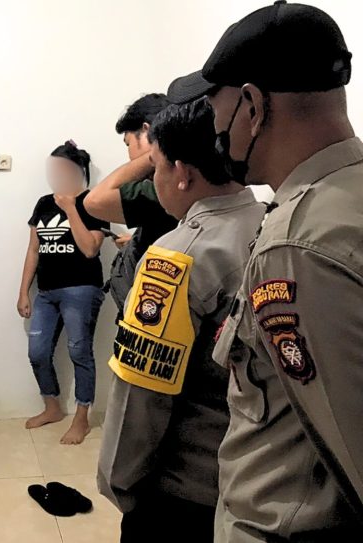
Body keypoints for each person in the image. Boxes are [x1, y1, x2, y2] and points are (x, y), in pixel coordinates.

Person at [167, 2, 363, 540]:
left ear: (252, 106)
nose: (215, 129)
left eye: (216, 110)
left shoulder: (298, 243)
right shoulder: (342, 198)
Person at [97, 99, 266, 543]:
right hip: (253, 480)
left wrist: (119, 485)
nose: (155, 180)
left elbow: (141, 393)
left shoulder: (178, 256)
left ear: (182, 173)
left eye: (155, 166)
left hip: (183, 489)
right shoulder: (271, 223)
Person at [17, 141, 107, 445]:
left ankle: (82, 419)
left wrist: (71, 208)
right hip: (46, 291)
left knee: (80, 351)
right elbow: (33, 249)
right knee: (37, 352)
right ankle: (52, 407)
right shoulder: (43, 203)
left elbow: (90, 248)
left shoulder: (94, 202)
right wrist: (23, 291)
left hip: (82, 289)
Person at [84, 94, 178, 321]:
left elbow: (94, 201)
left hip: (153, 317)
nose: (129, 155)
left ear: (146, 131)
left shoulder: (164, 187)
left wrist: (154, 153)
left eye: (128, 144)